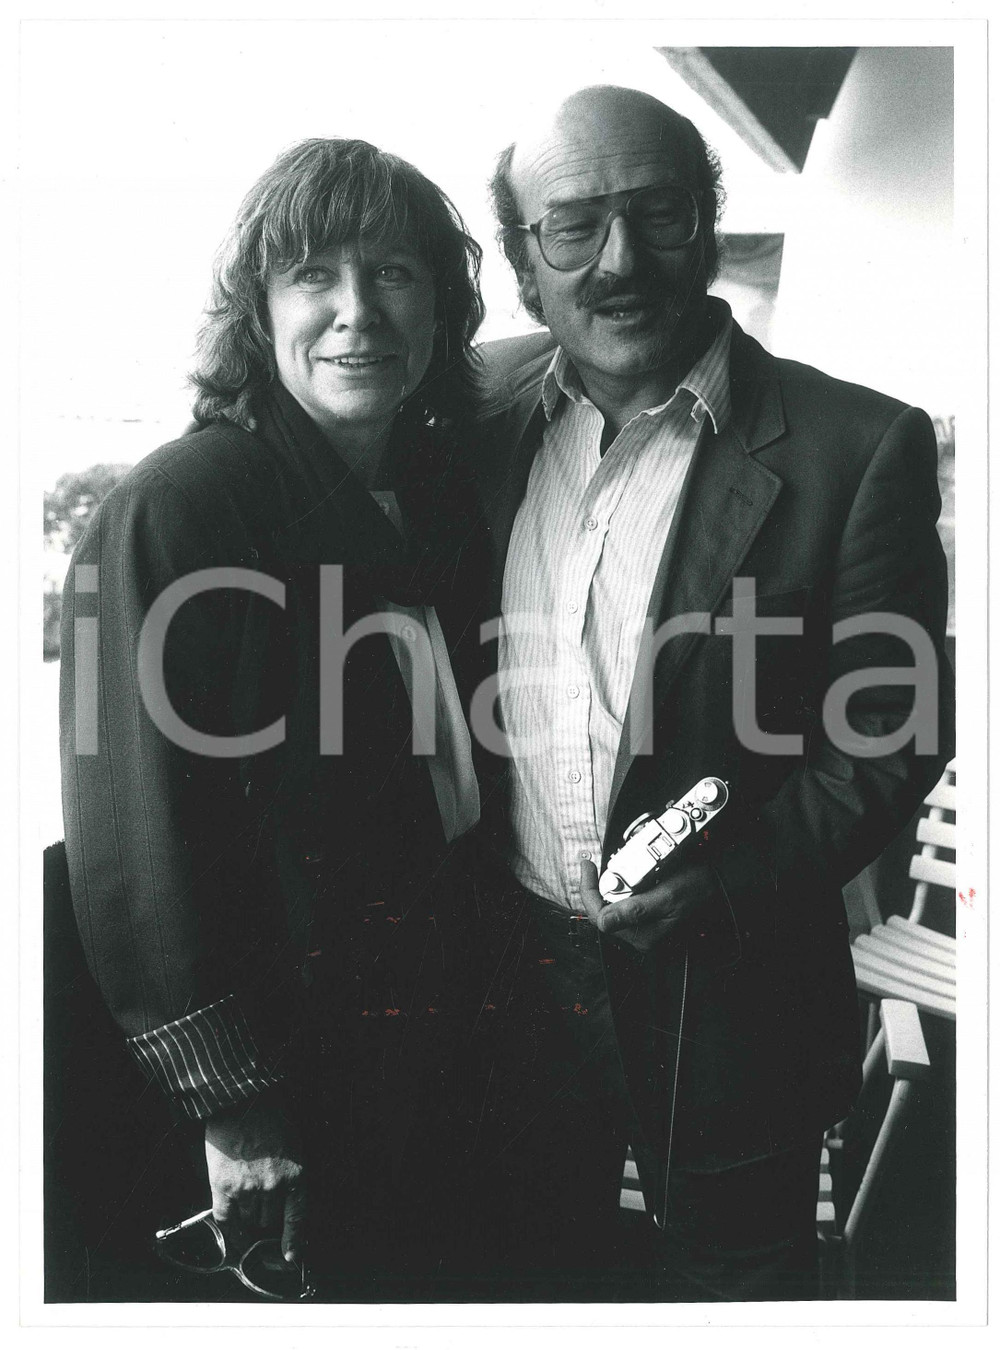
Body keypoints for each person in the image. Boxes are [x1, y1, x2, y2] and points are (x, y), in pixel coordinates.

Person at [466, 85, 954, 1301]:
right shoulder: (470, 415)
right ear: (524, 262)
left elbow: (888, 735)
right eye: (572, 226)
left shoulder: (857, 448)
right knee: (529, 1291)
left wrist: (728, 883)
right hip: (511, 999)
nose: (618, 259)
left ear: (708, 221)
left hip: (737, 1008)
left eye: (658, 212)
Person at [58, 137, 490, 1300]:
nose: (358, 313)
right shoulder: (177, 511)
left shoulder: (433, 494)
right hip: (273, 1084)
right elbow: (134, 842)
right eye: (314, 277)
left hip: (430, 1039)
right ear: (258, 311)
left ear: (442, 306)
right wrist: (234, 1106)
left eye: (394, 275)